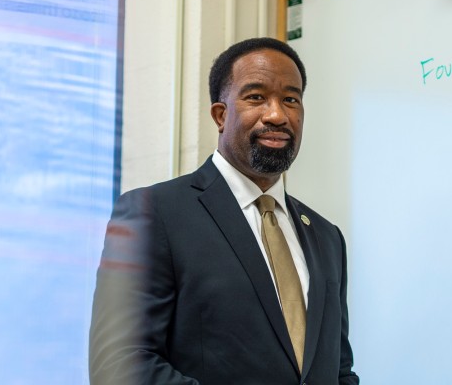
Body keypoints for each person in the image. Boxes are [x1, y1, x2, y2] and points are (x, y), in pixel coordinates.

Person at [89, 37, 359, 385]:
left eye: (290, 99)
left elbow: (338, 370)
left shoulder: (326, 237)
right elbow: (119, 366)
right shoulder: (153, 213)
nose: (277, 114)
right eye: (256, 97)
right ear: (221, 114)